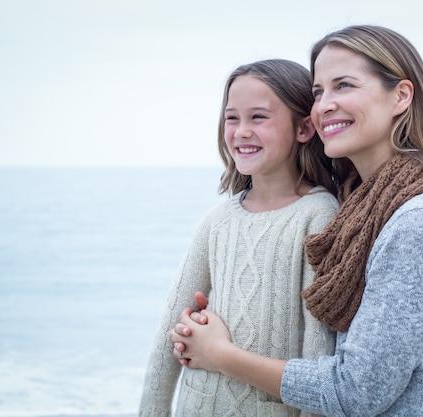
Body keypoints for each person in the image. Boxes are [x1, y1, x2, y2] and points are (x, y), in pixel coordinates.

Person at [171, 25, 423, 417]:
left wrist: (220, 354)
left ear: (401, 96)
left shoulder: (419, 223)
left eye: (344, 86)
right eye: (319, 92)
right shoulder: (358, 207)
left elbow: (357, 391)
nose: (324, 105)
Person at [138, 59, 339, 417]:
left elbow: (317, 349)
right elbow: (171, 326)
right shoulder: (217, 220)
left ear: (304, 128)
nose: (241, 131)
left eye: (258, 117)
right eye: (233, 118)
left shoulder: (318, 215)